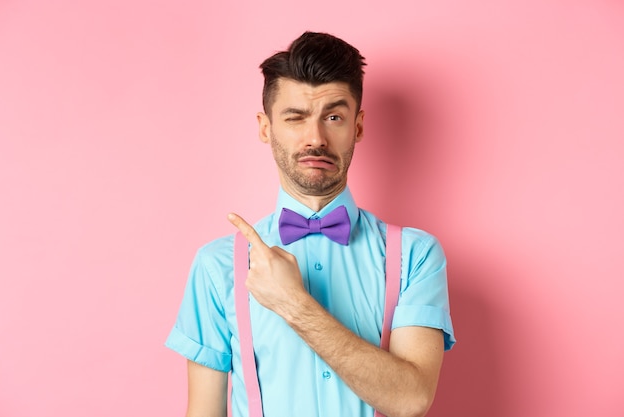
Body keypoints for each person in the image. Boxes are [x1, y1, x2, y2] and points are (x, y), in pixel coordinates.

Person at [166, 31, 455, 417]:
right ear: (266, 127)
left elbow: (411, 399)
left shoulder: (415, 256)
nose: (315, 138)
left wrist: (293, 304)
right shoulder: (218, 265)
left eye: (333, 117)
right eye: (295, 118)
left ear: (358, 126)